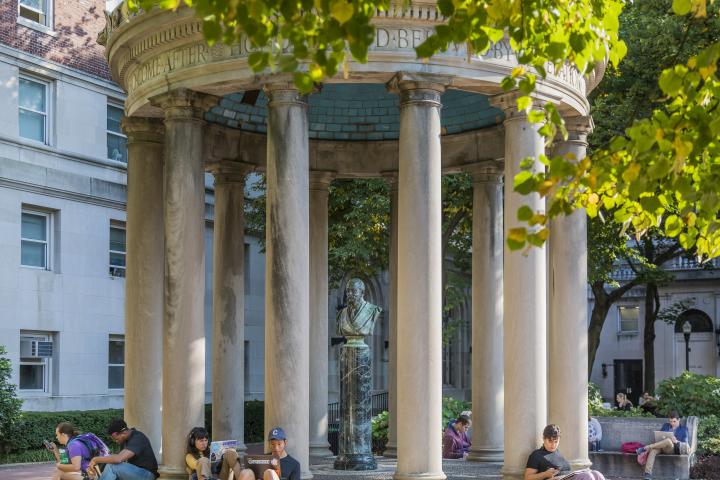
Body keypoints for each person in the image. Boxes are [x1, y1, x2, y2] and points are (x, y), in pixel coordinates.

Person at [525, 424, 606, 480]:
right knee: (587, 476)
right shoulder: (536, 455)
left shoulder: (558, 453)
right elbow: (527, 478)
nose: (553, 444)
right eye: (550, 441)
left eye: (556, 441)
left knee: (597, 474)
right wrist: (545, 474)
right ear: (543, 438)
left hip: (566, 477)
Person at [88, 419, 158, 480]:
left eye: (116, 439)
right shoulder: (125, 440)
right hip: (135, 474)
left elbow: (118, 459)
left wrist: (95, 459)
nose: (116, 441)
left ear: (124, 432)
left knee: (112, 467)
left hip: (147, 475)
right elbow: (117, 458)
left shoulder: (138, 437)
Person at [636, 411, 689, 480]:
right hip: (661, 446)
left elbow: (685, 443)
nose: (672, 423)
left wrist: (676, 441)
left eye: (674, 421)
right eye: (670, 421)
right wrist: (662, 437)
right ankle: (648, 474)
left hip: (672, 448)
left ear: (679, 420)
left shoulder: (684, 429)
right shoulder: (666, 425)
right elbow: (660, 435)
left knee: (668, 441)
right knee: (653, 450)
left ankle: (645, 448)